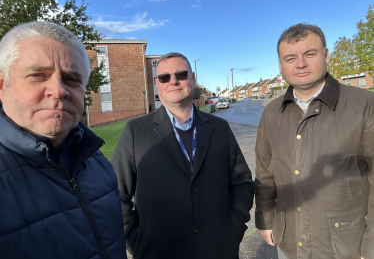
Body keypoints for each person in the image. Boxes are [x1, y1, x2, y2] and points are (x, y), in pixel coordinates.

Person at [0, 22, 127, 259]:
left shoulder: (97, 161)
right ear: (2, 85)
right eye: (38, 75)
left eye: (71, 79)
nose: (58, 90)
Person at [111, 52, 256, 259]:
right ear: (157, 84)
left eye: (181, 74)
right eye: (164, 77)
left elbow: (243, 182)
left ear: (193, 78)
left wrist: (233, 229)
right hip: (158, 252)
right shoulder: (135, 131)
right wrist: (137, 241)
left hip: (218, 250)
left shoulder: (219, 127)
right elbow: (115, 195)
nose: (173, 81)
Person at [255, 23, 374, 259]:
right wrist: (265, 219)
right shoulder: (271, 112)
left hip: (345, 246)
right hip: (289, 243)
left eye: (309, 54)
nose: (300, 64)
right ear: (281, 66)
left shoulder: (364, 105)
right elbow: (265, 172)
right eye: (290, 58)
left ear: (326, 56)